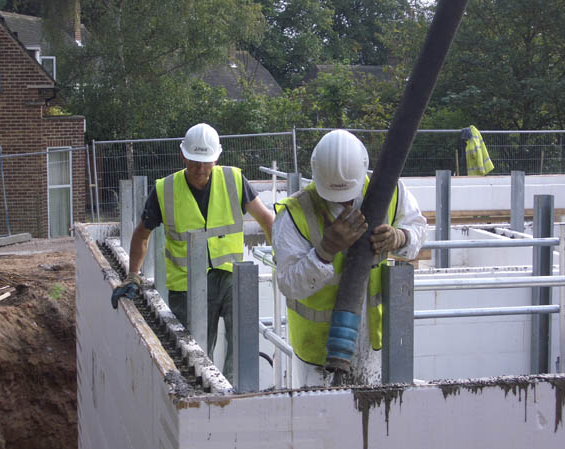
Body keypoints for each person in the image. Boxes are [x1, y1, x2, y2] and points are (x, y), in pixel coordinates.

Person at [111, 123, 274, 381]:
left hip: (231, 278)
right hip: (186, 286)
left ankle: (237, 395)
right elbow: (142, 234)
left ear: (216, 157)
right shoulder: (165, 189)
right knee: (194, 356)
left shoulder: (233, 179)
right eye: (195, 161)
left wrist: (284, 259)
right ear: (183, 155)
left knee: (243, 341)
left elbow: (267, 220)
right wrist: (133, 275)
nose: (200, 168)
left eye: (206, 162)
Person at [272, 129, 426, 388]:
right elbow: (289, 284)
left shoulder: (389, 191)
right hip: (318, 355)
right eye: (335, 198)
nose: (344, 204)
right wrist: (324, 252)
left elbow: (419, 229)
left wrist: (400, 238)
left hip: (374, 344)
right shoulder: (294, 214)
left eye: (348, 196)